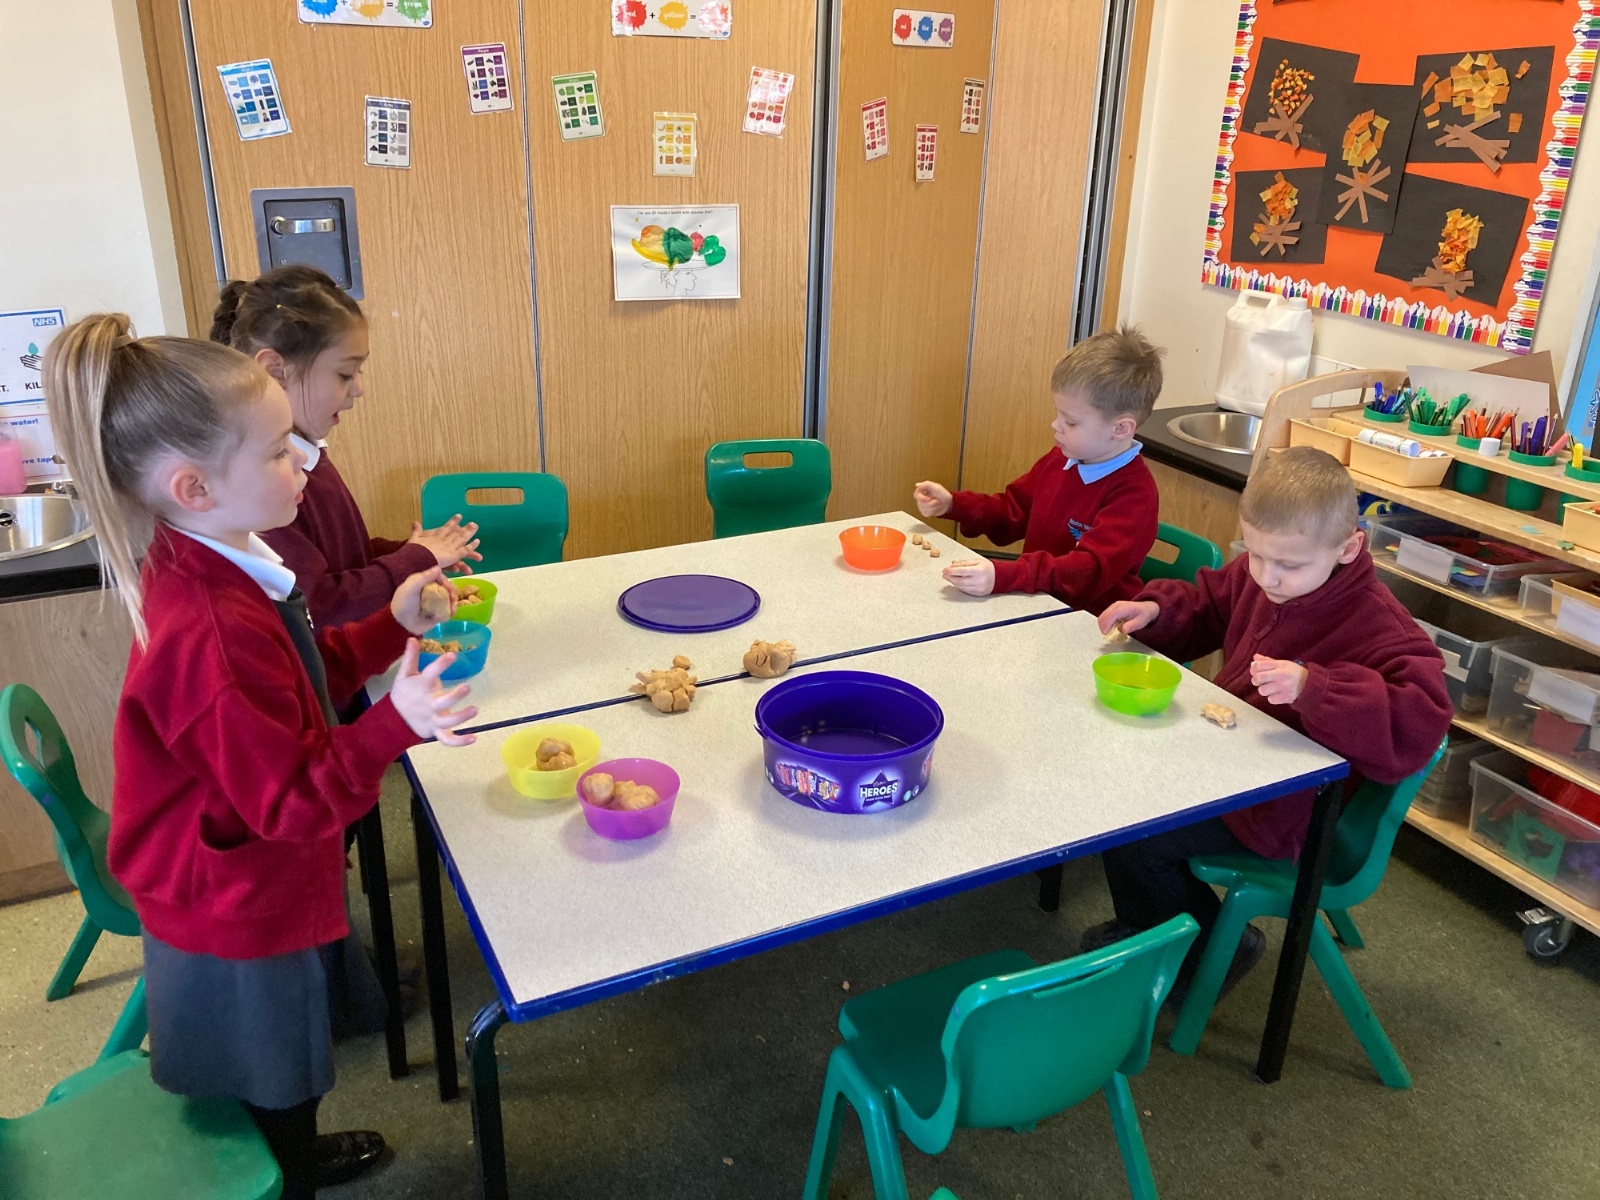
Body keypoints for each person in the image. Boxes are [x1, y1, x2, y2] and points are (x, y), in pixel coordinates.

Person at [43, 314, 478, 1198]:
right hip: (231, 902)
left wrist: (385, 627)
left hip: (244, 876)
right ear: (195, 487)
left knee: (286, 1063)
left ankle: (292, 1150)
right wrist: (395, 721)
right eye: (280, 451)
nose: (303, 466)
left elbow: (301, 683)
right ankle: (284, 1171)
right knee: (271, 1076)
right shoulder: (209, 630)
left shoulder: (222, 556)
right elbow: (290, 799)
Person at [1090, 446, 1451, 994]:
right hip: (1231, 765)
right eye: (1255, 555)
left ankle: (1214, 951)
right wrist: (1158, 612)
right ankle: (1148, 929)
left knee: (1134, 831)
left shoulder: (1381, 628)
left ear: (1349, 548)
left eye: (1288, 565)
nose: (1267, 577)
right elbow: (1211, 603)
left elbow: (1421, 720)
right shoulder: (1264, 574)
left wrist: (1315, 689)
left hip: (1285, 809)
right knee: (1113, 787)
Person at [211, 264, 480, 628]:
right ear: (275, 371)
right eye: (345, 374)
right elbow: (319, 605)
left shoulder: (309, 454)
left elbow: (345, 560)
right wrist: (412, 559)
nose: (358, 389)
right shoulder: (265, 486)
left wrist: (413, 553)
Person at [913, 324, 1164, 613]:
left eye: (1071, 422)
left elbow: (1087, 570)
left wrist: (1006, 575)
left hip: (1091, 623)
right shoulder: (1061, 459)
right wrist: (954, 504)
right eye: (1058, 414)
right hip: (1040, 604)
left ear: (1120, 429)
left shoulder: (1134, 495)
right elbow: (1012, 510)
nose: (1056, 425)